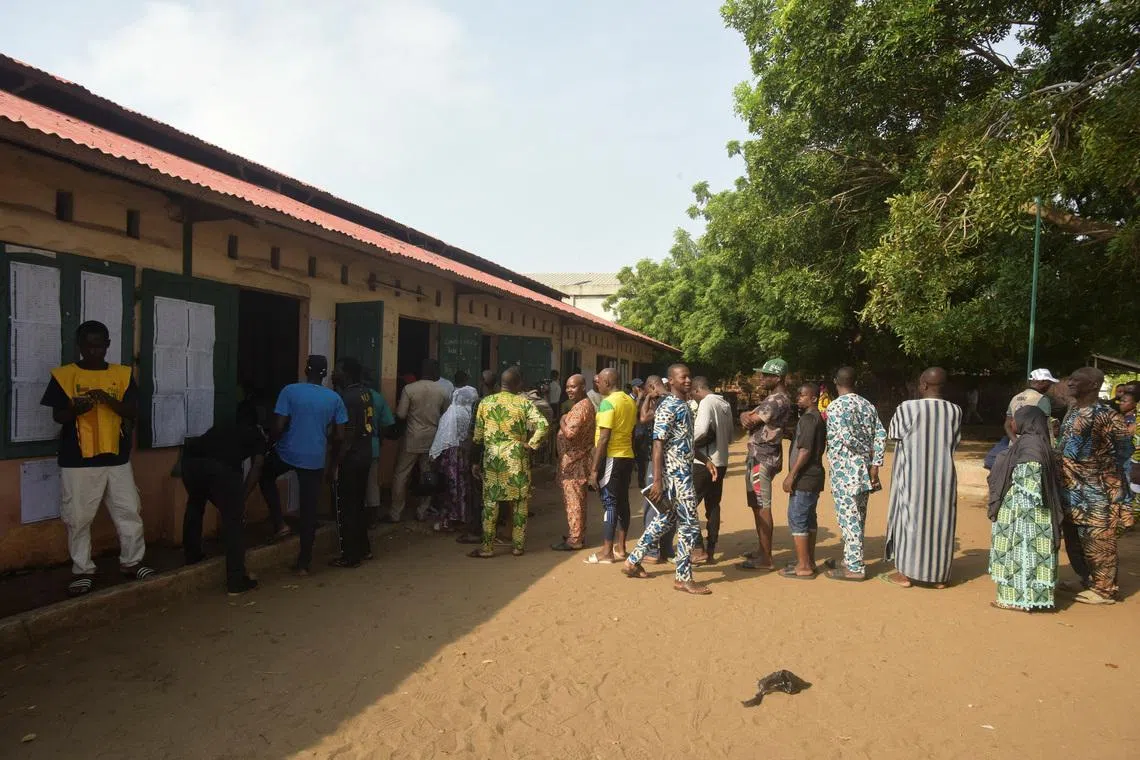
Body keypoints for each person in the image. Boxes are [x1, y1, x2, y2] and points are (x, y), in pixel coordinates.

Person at [41, 321, 155, 597]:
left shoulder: (122, 375)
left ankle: (132, 561)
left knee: (128, 510)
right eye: (88, 345)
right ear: (79, 346)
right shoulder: (63, 376)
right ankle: (82, 570)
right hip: (77, 461)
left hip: (116, 458)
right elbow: (58, 416)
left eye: (99, 345)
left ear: (107, 345)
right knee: (78, 518)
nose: (94, 351)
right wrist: (75, 409)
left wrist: (106, 399)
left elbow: (132, 411)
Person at [622, 363, 717, 595]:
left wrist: (705, 459)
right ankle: (683, 578)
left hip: (683, 471)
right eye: (682, 377)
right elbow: (658, 444)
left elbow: (684, 442)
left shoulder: (684, 405)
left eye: (689, 377)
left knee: (665, 520)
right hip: (677, 476)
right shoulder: (668, 407)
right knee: (689, 525)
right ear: (670, 381)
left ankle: (633, 560)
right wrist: (657, 480)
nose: (687, 381)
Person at [260, 355, 347, 575]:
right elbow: (339, 436)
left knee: (264, 475)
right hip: (315, 458)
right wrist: (331, 461)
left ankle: (280, 523)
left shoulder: (290, 391)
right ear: (325, 374)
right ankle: (304, 564)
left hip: (287, 453)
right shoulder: (334, 398)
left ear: (305, 370)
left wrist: (269, 444)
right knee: (309, 511)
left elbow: (279, 426)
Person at [1057, 367, 1133, 604]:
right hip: (1070, 490)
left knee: (1098, 541)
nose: (1070, 382)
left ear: (1092, 385)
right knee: (1075, 539)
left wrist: (1101, 470)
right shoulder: (1073, 411)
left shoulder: (1106, 415)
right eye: (1071, 378)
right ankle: (1086, 578)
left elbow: (1124, 449)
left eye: (1076, 380)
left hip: (1097, 491)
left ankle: (1105, 590)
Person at [882, 367, 962, 588]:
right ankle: (939, 577)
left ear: (924, 385)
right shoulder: (955, 411)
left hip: (912, 475)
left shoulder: (907, 408)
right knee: (941, 522)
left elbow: (895, 435)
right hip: (943, 477)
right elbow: (954, 441)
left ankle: (906, 574)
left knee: (910, 520)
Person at [181, 403, 266, 595]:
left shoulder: (223, 425)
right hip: (220, 470)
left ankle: (192, 556)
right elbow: (257, 467)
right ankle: (236, 581)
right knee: (234, 521)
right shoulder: (257, 435)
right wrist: (242, 497)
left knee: (195, 505)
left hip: (190, 464)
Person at [987, 405, 1064, 611]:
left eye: (1016, 418)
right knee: (1036, 555)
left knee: (1020, 552)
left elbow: (1029, 481)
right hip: (1033, 512)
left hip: (1024, 513)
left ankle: (1018, 599)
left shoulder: (1030, 445)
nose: (1012, 423)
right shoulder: (1038, 442)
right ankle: (1035, 598)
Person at [468, 367, 549, 558]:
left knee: (490, 504)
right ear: (518, 384)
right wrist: (531, 445)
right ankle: (517, 546)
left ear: (501, 384)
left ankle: (487, 548)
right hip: (517, 459)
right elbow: (543, 425)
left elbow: (477, 437)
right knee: (520, 503)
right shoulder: (523, 403)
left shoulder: (485, 403)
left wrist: (474, 462)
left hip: (493, 459)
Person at [823, 367, 886, 581]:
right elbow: (880, 434)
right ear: (855, 382)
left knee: (848, 519)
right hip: (865, 471)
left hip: (845, 471)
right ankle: (849, 558)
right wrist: (874, 462)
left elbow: (845, 437)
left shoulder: (834, 407)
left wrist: (863, 452)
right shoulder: (868, 405)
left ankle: (855, 567)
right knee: (858, 517)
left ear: (835, 382)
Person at [738, 358, 793, 571]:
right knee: (757, 504)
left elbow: (749, 420)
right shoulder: (773, 399)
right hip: (761, 456)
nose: (762, 378)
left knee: (762, 506)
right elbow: (749, 417)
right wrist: (746, 414)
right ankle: (762, 550)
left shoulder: (775, 400)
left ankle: (766, 558)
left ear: (778, 377)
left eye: (766, 375)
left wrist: (745, 414)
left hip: (762, 457)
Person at [387, 359, 451, 523]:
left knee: (401, 474)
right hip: (432, 439)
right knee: (428, 474)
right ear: (435, 372)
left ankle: (396, 512)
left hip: (412, 437)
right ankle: (422, 511)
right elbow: (446, 414)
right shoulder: (442, 391)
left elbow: (401, 414)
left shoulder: (410, 389)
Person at [585, 368, 638, 564]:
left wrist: (594, 470)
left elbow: (604, 438)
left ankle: (606, 551)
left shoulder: (608, 403)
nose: (596, 384)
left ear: (607, 383)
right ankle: (621, 548)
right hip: (627, 456)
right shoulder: (629, 400)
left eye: (598, 381)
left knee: (609, 503)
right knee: (623, 501)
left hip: (612, 458)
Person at [328, 358, 377, 568]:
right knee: (358, 504)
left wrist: (335, 463)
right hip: (365, 454)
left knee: (347, 506)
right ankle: (364, 548)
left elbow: (347, 435)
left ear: (346, 373)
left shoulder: (346, 397)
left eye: (337, 370)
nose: (333, 374)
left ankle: (350, 555)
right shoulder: (365, 392)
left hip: (352, 457)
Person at [780, 384, 827, 578]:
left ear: (814, 398)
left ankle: (804, 566)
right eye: (798, 395)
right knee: (808, 518)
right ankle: (808, 560)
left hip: (805, 477)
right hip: (814, 476)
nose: (798, 398)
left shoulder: (809, 419)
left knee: (797, 518)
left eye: (802, 395)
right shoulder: (815, 418)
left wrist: (791, 475)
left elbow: (805, 450)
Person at [691, 377, 732, 564]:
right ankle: (712, 547)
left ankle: (698, 546)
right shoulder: (724, 403)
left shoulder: (707, 402)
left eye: (693, 393)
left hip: (704, 463)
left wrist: (685, 441)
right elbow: (730, 435)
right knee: (713, 505)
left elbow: (700, 430)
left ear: (697, 389)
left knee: (688, 505)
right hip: (721, 460)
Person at [551, 374, 595, 551]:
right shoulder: (580, 406)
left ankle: (575, 539)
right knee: (577, 500)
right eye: (567, 386)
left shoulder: (581, 408)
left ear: (583, 387)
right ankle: (577, 533)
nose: (569, 390)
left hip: (575, 462)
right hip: (573, 461)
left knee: (574, 501)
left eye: (573, 386)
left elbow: (570, 433)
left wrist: (561, 420)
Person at [429, 386, 479, 532]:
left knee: (451, 486)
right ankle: (464, 516)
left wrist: (434, 453)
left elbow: (444, 435)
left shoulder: (452, 413)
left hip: (452, 454)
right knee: (465, 485)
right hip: (467, 453)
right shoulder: (471, 412)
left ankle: (450, 518)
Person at [636, 375, 675, 562]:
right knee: (668, 505)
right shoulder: (675, 401)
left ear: (651, 386)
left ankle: (651, 551)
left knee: (652, 504)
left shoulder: (663, 403)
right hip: (672, 461)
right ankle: (666, 548)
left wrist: (647, 398)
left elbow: (643, 418)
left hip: (658, 460)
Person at [362, 369, 396, 527]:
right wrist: (379, 439)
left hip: (353, 446)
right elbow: (387, 424)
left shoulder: (351, 396)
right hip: (373, 444)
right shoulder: (378, 398)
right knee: (372, 482)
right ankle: (372, 519)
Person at [1005, 369, 1057, 440]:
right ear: (1042, 381)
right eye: (1049, 382)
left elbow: (1007, 425)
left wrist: (1015, 441)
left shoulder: (1015, 398)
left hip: (1014, 446)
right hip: (1034, 445)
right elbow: (1044, 426)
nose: (1050, 386)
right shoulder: (1042, 399)